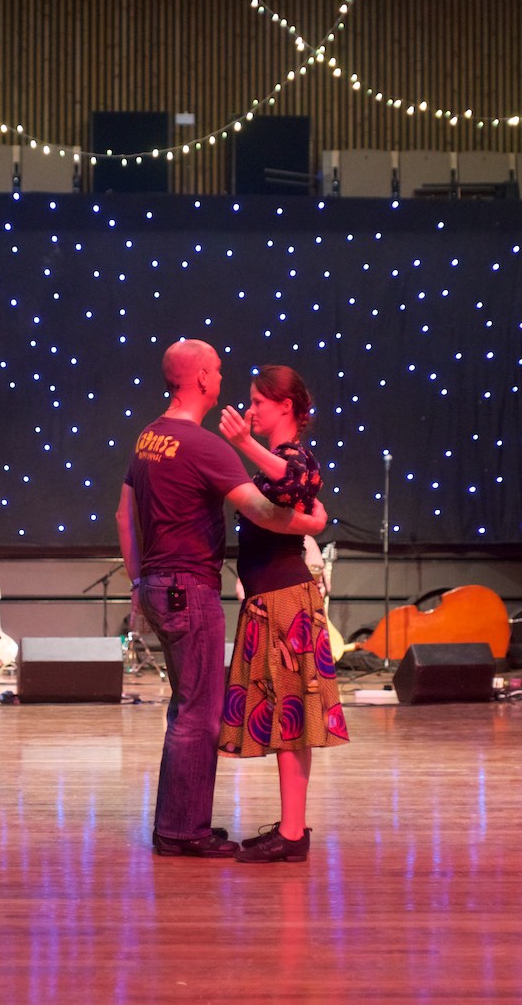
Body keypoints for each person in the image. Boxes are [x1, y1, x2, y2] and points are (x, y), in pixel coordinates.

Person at [116, 339, 325, 859]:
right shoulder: (203, 445)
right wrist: (314, 523)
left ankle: (189, 826)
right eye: (218, 370)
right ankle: (182, 831)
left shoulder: (148, 438)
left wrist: (139, 583)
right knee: (199, 714)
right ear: (203, 379)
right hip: (191, 588)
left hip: (165, 586)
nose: (224, 380)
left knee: (197, 708)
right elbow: (260, 511)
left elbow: (124, 515)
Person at [217, 366, 348, 864]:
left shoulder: (293, 458)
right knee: (283, 717)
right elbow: (300, 499)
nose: (250, 409)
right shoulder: (280, 463)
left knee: (291, 717)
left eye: (258, 401)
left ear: (285, 406)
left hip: (285, 599)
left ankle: (293, 833)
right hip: (271, 599)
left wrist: (244, 444)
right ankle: (291, 828)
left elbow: (298, 479)